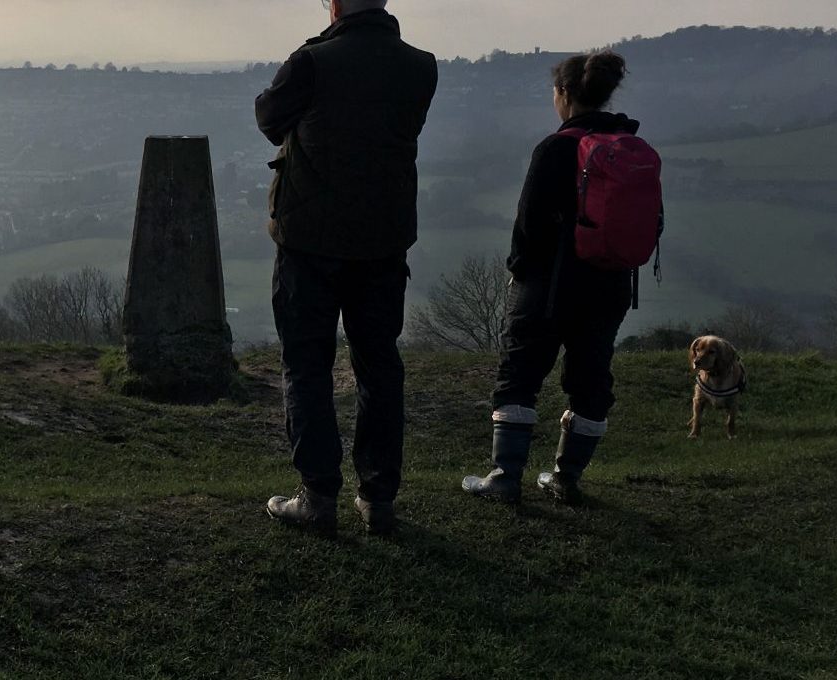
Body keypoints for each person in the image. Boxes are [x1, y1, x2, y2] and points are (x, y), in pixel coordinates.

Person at [256, 0, 438, 536]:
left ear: (333, 4)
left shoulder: (312, 62)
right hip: (384, 241)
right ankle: (378, 499)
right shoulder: (420, 65)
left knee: (307, 365)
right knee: (379, 367)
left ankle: (317, 496)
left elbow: (269, 117)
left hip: (309, 242)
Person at [462, 51, 644, 505]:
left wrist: (519, 273)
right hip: (610, 284)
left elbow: (528, 227)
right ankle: (566, 478)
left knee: (519, 377)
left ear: (563, 94)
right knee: (591, 380)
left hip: (550, 285)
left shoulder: (555, 148)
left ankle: (505, 478)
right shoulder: (630, 148)